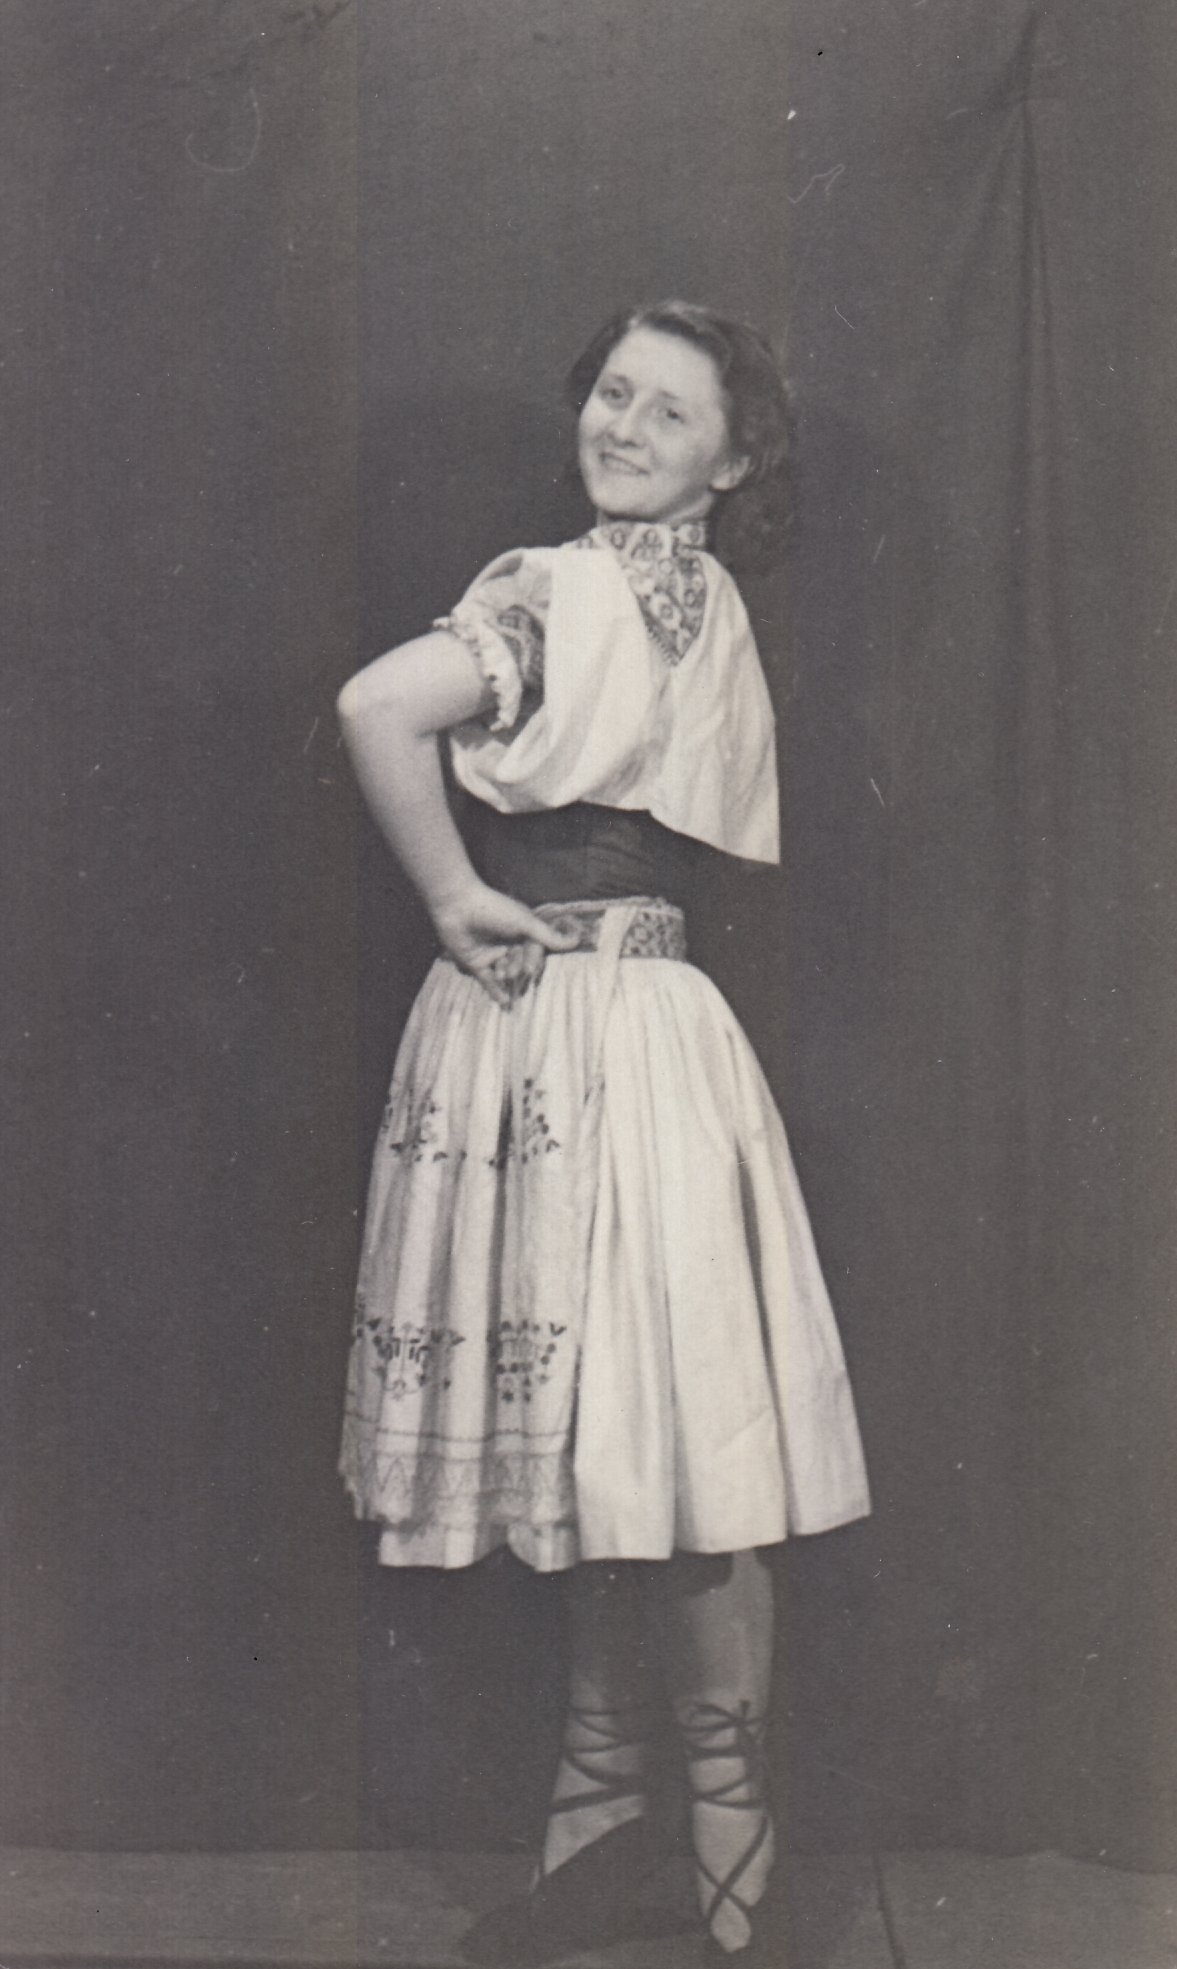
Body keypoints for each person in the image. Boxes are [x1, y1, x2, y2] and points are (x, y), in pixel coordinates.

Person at [337, 301, 870, 1965]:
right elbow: (376, 706)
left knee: (668, 1433)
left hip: (616, 1037)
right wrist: (453, 896)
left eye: (669, 411)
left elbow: (382, 705)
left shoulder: (653, 599)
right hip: (569, 1024)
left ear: (735, 458)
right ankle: (630, 1835)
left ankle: (715, 1850)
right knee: (607, 1436)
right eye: (612, 394)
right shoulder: (563, 584)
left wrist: (460, 897)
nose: (624, 426)